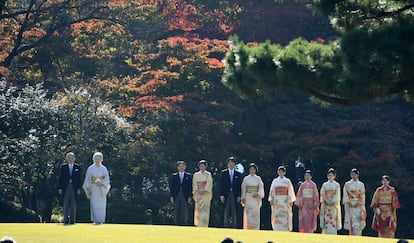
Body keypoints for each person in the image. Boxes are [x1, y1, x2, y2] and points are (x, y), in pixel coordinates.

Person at [82, 152, 111, 225]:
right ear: (93, 159)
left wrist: (102, 183)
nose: (97, 160)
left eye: (99, 159)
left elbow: (107, 179)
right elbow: (87, 179)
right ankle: (95, 220)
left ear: (101, 159)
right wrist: (88, 189)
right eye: (96, 159)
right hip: (93, 188)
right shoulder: (90, 168)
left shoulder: (104, 169)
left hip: (101, 189)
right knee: (94, 205)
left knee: (101, 206)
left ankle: (101, 220)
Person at [268, 165, 296, 231]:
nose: (281, 173)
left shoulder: (287, 181)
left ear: (284, 173)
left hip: (285, 200)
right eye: (279, 172)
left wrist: (291, 200)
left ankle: (286, 228)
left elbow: (290, 191)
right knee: (277, 214)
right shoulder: (275, 181)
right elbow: (272, 191)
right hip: (277, 200)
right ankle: (277, 228)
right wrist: (271, 199)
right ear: (278, 172)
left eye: (282, 172)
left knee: (285, 214)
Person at [57, 152, 82, 225]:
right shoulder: (63, 167)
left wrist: (79, 188)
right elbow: (60, 178)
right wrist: (60, 188)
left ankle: (72, 220)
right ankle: (65, 220)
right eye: (69, 158)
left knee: (73, 204)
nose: (70, 159)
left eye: (72, 158)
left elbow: (79, 179)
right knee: (65, 203)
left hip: (74, 187)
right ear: (66, 159)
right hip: (65, 187)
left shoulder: (78, 167)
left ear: (74, 158)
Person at [220, 156, 242, 228]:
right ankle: (225, 224)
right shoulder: (224, 173)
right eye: (229, 163)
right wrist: (221, 195)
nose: (231, 164)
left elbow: (239, 185)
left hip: (235, 194)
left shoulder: (238, 174)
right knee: (226, 210)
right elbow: (221, 184)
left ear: (234, 164)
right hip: (226, 194)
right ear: (227, 164)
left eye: (232, 163)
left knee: (234, 210)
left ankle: (234, 225)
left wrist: (239, 195)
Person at [240, 163, 264, 230]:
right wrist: (243, 197)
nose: (252, 171)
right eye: (251, 169)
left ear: (255, 170)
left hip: (255, 198)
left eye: (253, 169)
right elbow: (243, 188)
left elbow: (261, 187)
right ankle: (248, 227)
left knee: (255, 213)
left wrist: (258, 194)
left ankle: (256, 228)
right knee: (248, 213)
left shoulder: (258, 179)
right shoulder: (246, 178)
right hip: (248, 197)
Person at [343, 168, 366, 235]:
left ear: (357, 175)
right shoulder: (347, 184)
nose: (354, 176)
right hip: (350, 203)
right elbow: (345, 193)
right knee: (350, 221)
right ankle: (351, 236)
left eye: (355, 174)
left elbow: (362, 194)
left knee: (358, 221)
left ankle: (358, 237)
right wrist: (347, 202)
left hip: (358, 205)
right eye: (352, 174)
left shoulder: (361, 184)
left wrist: (359, 203)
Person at [169, 160, 193, 226]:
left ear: (185, 167)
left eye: (183, 166)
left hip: (185, 194)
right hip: (176, 194)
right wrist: (171, 196)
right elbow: (172, 187)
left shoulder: (188, 176)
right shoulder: (174, 176)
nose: (181, 167)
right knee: (176, 208)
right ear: (178, 167)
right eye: (180, 166)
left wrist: (190, 196)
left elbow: (190, 187)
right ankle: (176, 222)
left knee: (184, 209)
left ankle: (184, 222)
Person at [320, 168, 342, 234]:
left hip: (333, 205)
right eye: (329, 175)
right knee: (326, 220)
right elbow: (322, 193)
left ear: (334, 176)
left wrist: (332, 201)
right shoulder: (324, 185)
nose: (330, 176)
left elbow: (337, 194)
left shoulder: (337, 185)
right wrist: (326, 200)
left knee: (333, 221)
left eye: (331, 175)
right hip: (326, 205)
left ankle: (333, 234)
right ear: (327, 176)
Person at [192, 160, 213, 227]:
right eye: (201, 166)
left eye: (203, 166)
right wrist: (197, 190)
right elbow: (194, 183)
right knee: (198, 210)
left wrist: (205, 190)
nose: (202, 167)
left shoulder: (208, 174)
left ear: (205, 166)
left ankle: (204, 224)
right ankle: (198, 224)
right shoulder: (196, 174)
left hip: (205, 194)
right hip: (198, 193)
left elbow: (209, 183)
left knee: (205, 210)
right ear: (199, 167)